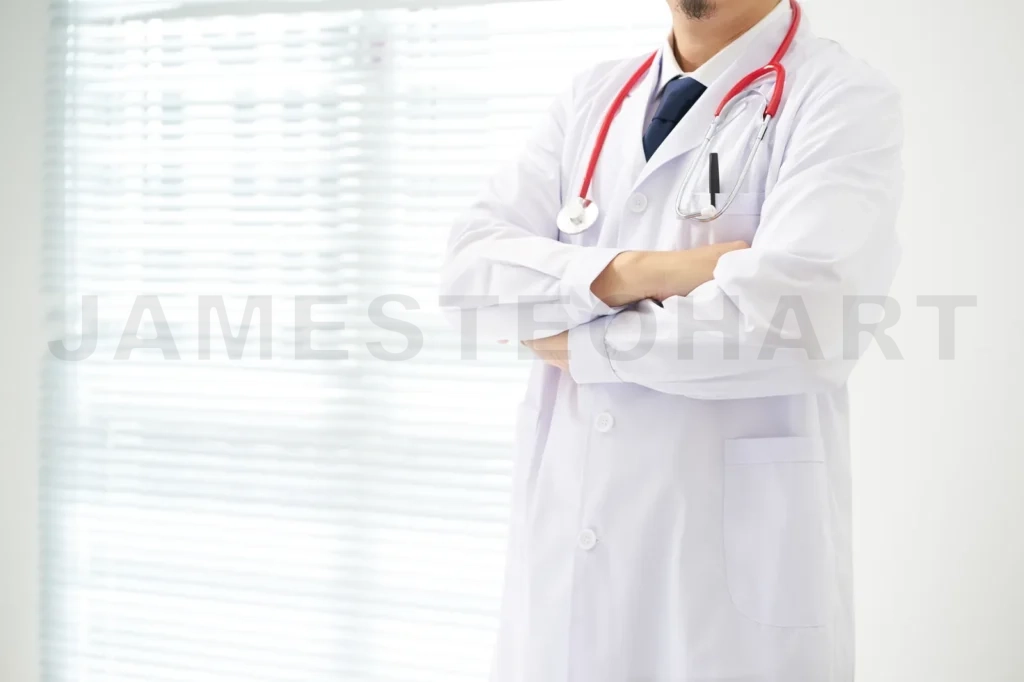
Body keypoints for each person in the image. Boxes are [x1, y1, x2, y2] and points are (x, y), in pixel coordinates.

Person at [440, 0, 902, 680]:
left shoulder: (839, 97)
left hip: (724, 605)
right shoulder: (592, 99)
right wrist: (645, 272)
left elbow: (801, 322)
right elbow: (469, 276)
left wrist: (585, 343)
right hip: (567, 566)